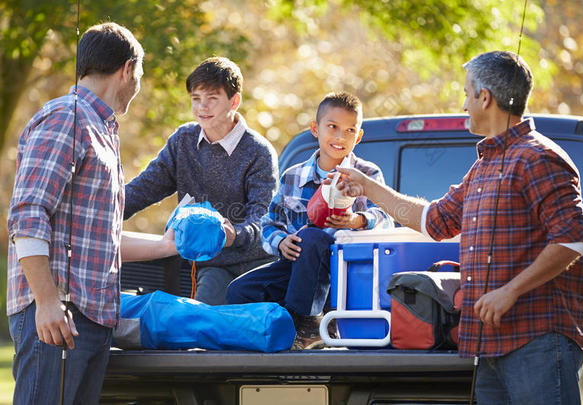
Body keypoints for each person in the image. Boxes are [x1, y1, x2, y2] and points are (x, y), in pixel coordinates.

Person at [330, 51, 583, 403]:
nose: (464, 103)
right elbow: (433, 221)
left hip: (538, 341)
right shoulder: (483, 167)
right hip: (489, 344)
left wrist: (509, 291)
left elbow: (573, 239)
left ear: (485, 97)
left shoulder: (539, 157)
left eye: (467, 93)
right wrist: (368, 186)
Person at [6, 22, 178, 405]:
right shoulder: (66, 118)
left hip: (88, 319)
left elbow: (102, 239)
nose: (139, 84)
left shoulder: (100, 129)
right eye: (141, 74)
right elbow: (27, 215)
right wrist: (48, 303)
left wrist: (168, 245)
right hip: (57, 317)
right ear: (127, 69)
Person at [226, 92, 393, 349]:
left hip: (345, 273)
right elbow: (270, 222)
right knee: (239, 291)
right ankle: (278, 329)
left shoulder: (368, 174)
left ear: (358, 137)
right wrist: (281, 242)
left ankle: (306, 327)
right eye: (332, 127)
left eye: (349, 130)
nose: (340, 137)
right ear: (315, 129)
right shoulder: (293, 176)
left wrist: (356, 221)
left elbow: (384, 218)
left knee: (313, 236)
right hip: (298, 271)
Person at [123, 57, 278, 305]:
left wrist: (234, 236)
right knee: (202, 324)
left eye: (212, 98)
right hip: (213, 264)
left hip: (257, 264)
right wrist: (100, 212)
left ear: (234, 101)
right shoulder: (183, 140)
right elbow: (144, 188)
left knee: (244, 331)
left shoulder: (258, 151)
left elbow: (263, 218)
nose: (202, 107)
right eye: (196, 99)